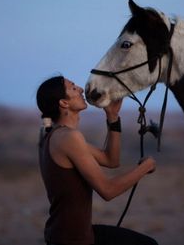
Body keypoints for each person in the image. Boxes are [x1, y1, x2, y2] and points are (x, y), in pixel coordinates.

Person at [36, 75, 158, 245]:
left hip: (69, 235)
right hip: (73, 240)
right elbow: (108, 190)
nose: (80, 89)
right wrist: (146, 167)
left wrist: (113, 117)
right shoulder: (68, 138)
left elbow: (111, 160)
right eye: (73, 88)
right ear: (64, 103)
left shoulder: (56, 135)